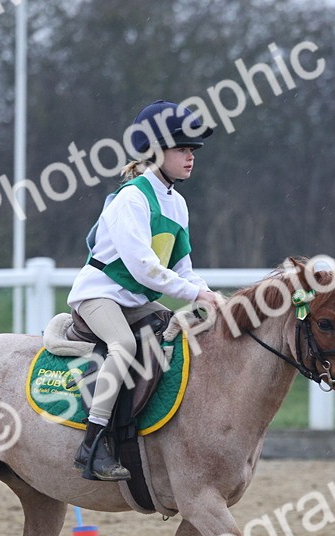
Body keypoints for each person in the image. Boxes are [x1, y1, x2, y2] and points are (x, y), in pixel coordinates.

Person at [68, 101, 224, 481]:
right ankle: (92, 445)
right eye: (182, 150)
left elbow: (183, 269)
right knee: (123, 345)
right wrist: (194, 295)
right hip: (99, 294)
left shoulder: (178, 203)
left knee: (176, 338)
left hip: (134, 300)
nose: (190, 158)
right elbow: (144, 267)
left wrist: (214, 297)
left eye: (192, 151)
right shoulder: (131, 198)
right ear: (156, 153)